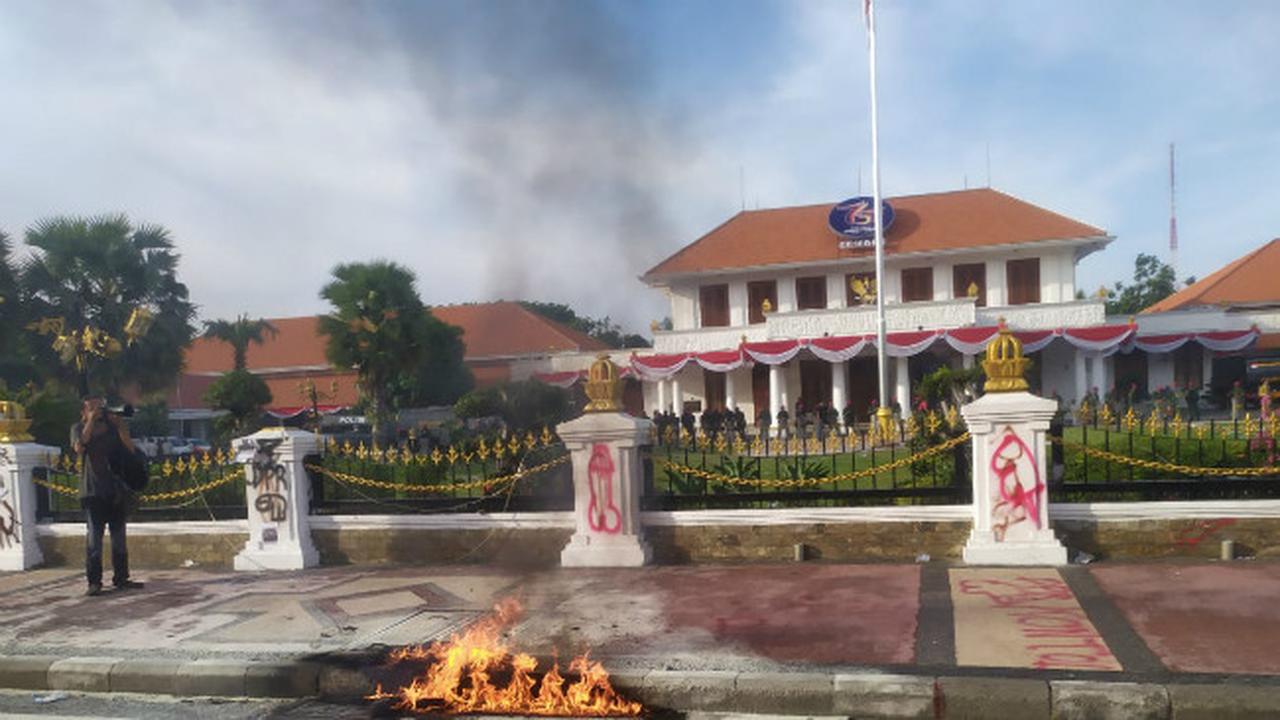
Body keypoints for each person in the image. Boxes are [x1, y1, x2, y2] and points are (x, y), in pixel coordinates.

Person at [71, 397, 143, 597]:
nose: (98, 410)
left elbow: (130, 450)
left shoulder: (112, 428)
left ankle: (122, 577)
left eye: (99, 407)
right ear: (83, 412)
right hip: (92, 492)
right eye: (92, 407)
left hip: (115, 491)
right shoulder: (78, 428)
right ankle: (94, 583)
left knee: (119, 538)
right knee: (95, 540)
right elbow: (79, 447)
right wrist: (91, 421)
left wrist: (120, 426)